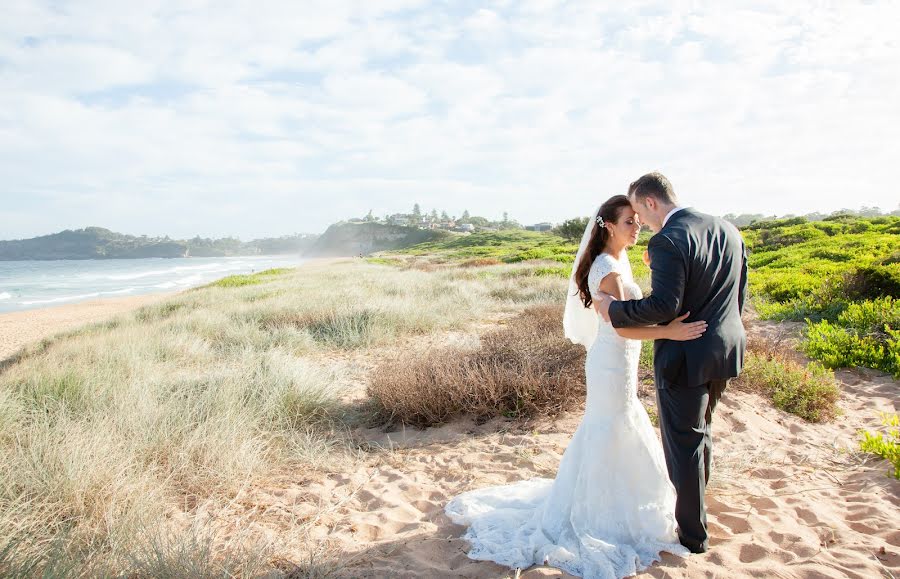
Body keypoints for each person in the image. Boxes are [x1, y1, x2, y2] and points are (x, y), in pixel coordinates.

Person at [445, 194, 706, 578]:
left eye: (637, 221)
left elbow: (630, 310)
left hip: (620, 359)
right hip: (611, 361)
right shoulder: (606, 268)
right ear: (609, 227)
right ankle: (601, 514)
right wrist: (671, 332)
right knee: (611, 427)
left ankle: (616, 502)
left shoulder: (616, 262)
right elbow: (622, 324)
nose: (637, 227)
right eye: (629, 222)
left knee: (616, 425)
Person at [595, 172, 748, 554]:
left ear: (650, 202)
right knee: (701, 433)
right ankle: (697, 509)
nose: (642, 226)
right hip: (724, 350)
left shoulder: (668, 239)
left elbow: (664, 306)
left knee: (683, 444)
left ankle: (693, 537)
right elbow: (738, 293)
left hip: (685, 355)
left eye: (640, 216)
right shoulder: (727, 228)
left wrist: (615, 310)